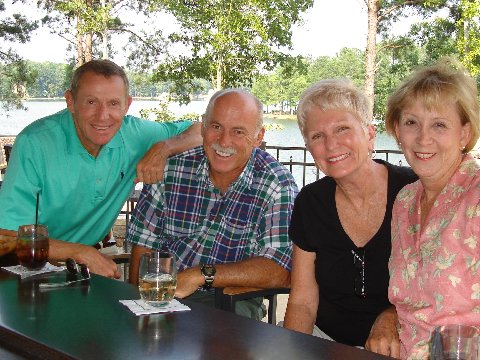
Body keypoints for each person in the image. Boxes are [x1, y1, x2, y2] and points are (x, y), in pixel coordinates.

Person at [0, 59, 202, 278]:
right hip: (20, 265)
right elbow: (8, 236)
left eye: (114, 103)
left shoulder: (137, 134)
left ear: (127, 105)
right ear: (70, 102)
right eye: (91, 102)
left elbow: (202, 129)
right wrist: (80, 253)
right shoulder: (35, 142)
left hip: (78, 269)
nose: (103, 115)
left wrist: (164, 148)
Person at [127, 88, 298, 320]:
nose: (224, 141)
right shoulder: (170, 171)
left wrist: (201, 275)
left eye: (238, 131)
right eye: (216, 127)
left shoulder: (276, 184)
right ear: (204, 127)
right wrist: (138, 304)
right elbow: (143, 246)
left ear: (258, 137)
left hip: (231, 299)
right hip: (165, 293)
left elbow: (278, 270)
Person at [283, 79, 417, 356]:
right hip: (326, 343)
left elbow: (436, 285)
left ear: (369, 134)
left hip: (403, 341)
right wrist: (292, 352)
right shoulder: (311, 202)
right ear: (309, 147)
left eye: (342, 129)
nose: (331, 144)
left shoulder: (412, 191)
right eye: (317, 136)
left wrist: (391, 316)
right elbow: (303, 301)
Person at [385, 60, 480, 359]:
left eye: (439, 124)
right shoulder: (404, 201)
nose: (423, 138)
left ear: (464, 134)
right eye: (412, 122)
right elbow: (409, 301)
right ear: (398, 130)